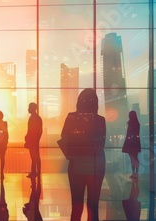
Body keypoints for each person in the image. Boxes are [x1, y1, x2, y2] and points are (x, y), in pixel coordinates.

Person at [60, 88, 106, 221]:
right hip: (96, 165)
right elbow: (101, 143)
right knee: (93, 205)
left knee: (76, 204)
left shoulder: (71, 117)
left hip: (76, 165)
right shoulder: (100, 120)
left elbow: (64, 137)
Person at [24, 102, 42, 178]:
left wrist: (30, 139)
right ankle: (36, 172)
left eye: (29, 107)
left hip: (33, 141)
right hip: (34, 141)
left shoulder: (34, 118)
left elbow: (32, 131)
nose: (28, 109)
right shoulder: (37, 118)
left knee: (34, 157)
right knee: (35, 157)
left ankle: (35, 172)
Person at [122, 110, 141, 178]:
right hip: (135, 143)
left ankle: (134, 172)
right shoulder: (136, 123)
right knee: (135, 157)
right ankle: (135, 172)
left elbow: (130, 133)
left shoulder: (132, 123)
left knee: (132, 158)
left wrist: (129, 139)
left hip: (131, 143)